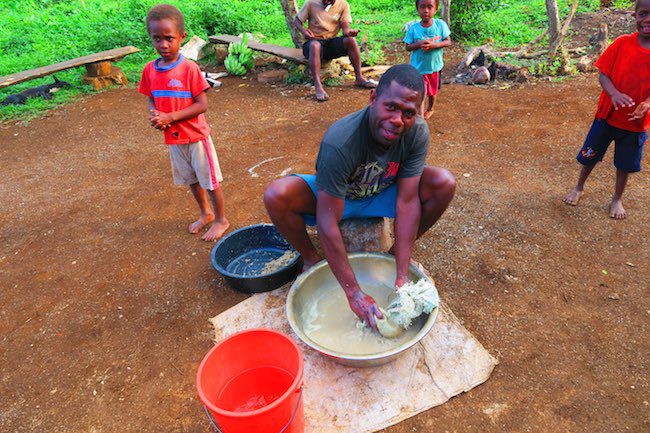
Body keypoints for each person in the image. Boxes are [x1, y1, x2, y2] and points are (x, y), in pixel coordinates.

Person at [264, 64, 456, 330]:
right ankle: (310, 259)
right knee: (277, 195)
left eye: (408, 113)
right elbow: (327, 221)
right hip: (336, 199)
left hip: (382, 194)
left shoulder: (417, 132)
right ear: (373, 98)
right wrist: (354, 292)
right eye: (391, 107)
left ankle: (393, 254)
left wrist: (401, 274)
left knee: (443, 183)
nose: (398, 119)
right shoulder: (341, 140)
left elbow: (408, 200)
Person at [138, 4, 229, 241]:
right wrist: (155, 115)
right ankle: (206, 213)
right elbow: (152, 100)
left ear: (182, 37)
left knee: (209, 181)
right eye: (157, 39)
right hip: (174, 138)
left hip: (196, 136)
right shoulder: (149, 71)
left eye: (169, 38)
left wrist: (170, 117)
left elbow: (202, 105)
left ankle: (221, 219)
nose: (163, 45)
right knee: (191, 179)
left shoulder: (189, 69)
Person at [563, 0, 649, 219]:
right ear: (635, 16)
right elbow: (603, 73)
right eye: (643, 14)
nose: (647, 20)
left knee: (625, 164)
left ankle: (617, 198)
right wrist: (614, 94)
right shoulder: (622, 44)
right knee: (590, 155)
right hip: (607, 117)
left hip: (635, 123)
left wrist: (646, 104)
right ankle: (579, 187)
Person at [294, 0, 378, 102]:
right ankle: (318, 86)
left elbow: (345, 28)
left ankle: (359, 78)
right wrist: (304, 31)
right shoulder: (311, 3)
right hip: (313, 44)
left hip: (330, 43)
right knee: (315, 45)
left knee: (350, 41)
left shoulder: (343, 4)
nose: (327, 1)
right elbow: (297, 21)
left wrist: (349, 32)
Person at [404, 0, 451, 119]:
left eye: (430, 7)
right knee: (421, 92)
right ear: (417, 9)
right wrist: (418, 44)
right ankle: (419, 117)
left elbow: (448, 41)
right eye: (422, 7)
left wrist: (434, 45)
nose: (426, 10)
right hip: (418, 69)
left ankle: (431, 108)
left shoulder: (440, 25)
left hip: (434, 67)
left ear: (436, 9)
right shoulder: (413, 28)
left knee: (432, 92)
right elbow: (407, 47)